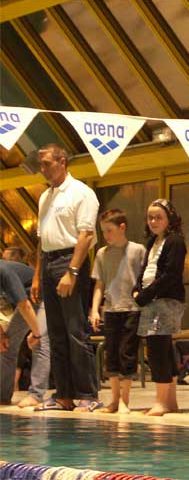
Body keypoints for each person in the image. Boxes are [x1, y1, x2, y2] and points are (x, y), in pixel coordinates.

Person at [31, 144, 101, 412]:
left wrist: (72, 271)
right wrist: (37, 275)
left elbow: (86, 235)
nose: (43, 169)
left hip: (70, 260)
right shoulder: (44, 197)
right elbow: (42, 240)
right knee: (56, 333)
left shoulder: (81, 193)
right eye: (41, 164)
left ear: (62, 162)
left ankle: (88, 394)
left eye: (47, 163)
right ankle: (64, 395)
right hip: (49, 261)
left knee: (75, 331)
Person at [89, 209, 146, 414]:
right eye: (103, 231)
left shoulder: (138, 250)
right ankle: (114, 399)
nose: (106, 235)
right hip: (111, 308)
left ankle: (125, 400)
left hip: (133, 308)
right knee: (111, 353)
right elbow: (99, 284)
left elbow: (145, 280)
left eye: (109, 230)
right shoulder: (102, 254)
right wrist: (95, 309)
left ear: (122, 227)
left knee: (127, 353)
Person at [134, 199, 186, 416]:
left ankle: (161, 401)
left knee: (157, 348)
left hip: (165, 299)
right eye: (150, 217)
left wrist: (145, 295)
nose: (153, 221)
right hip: (152, 299)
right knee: (163, 348)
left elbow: (170, 274)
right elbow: (146, 269)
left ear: (169, 219)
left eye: (158, 217)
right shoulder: (153, 242)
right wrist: (137, 288)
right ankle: (170, 401)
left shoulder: (175, 242)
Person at [0, 256, 45, 407]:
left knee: (40, 344)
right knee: (7, 346)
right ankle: (3, 396)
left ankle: (36, 395)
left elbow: (25, 305)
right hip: (24, 302)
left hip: (39, 296)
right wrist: (1, 334)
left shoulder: (3, 271)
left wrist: (36, 334)